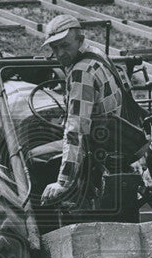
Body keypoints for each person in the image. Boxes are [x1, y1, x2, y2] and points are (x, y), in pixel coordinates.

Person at [39, 15, 125, 206]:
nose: (60, 53)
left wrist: (62, 183)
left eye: (65, 45)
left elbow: (76, 129)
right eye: (54, 48)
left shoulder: (80, 72)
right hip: (119, 139)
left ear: (80, 39)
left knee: (34, 159)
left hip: (97, 149)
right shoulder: (96, 54)